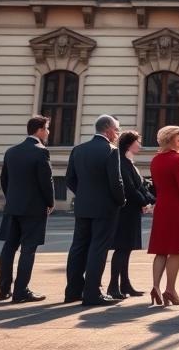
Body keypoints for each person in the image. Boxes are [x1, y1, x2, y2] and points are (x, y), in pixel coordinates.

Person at [65, 114, 125, 306]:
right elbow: (116, 181)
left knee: (78, 247)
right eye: (116, 130)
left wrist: (83, 194)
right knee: (98, 248)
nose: (118, 134)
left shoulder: (78, 149)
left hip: (83, 206)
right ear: (107, 129)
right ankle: (92, 293)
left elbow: (69, 179)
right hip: (105, 207)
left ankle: (73, 291)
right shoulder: (111, 150)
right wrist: (121, 200)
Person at [0, 115, 55, 303]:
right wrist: (50, 202)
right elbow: (46, 182)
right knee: (28, 249)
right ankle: (21, 290)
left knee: (9, 247)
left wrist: (12, 198)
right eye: (47, 129)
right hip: (33, 208)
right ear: (39, 130)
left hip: (13, 206)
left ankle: (4, 289)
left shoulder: (11, 151)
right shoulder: (41, 152)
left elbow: (4, 180)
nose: (48, 132)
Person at [147, 125, 179, 306]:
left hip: (162, 207)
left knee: (161, 250)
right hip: (177, 208)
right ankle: (170, 289)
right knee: (175, 250)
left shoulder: (155, 160)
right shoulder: (177, 160)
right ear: (175, 141)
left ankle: (155, 287)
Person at [108, 130, 155, 300]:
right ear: (129, 144)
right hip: (125, 212)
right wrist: (145, 202)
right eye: (137, 142)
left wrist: (148, 200)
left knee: (126, 249)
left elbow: (141, 186)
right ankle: (113, 286)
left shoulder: (128, 161)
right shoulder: (122, 161)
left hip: (131, 212)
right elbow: (129, 188)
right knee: (121, 248)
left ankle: (125, 284)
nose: (140, 145)